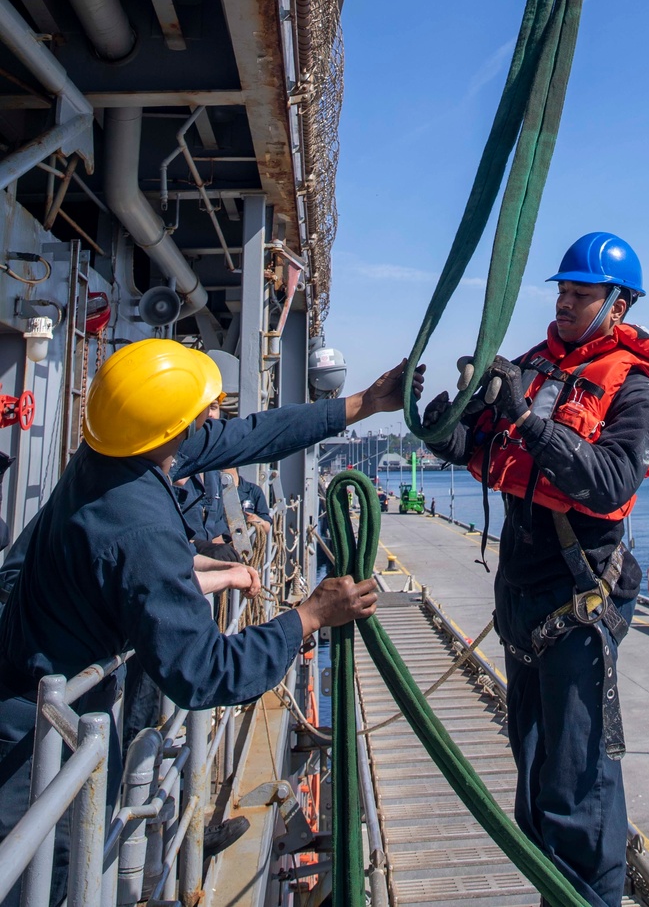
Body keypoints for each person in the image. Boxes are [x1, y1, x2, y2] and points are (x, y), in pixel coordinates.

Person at [0, 338, 423, 905]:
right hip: (43, 737)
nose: (207, 421)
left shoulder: (111, 453)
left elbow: (248, 435)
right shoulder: (141, 528)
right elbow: (203, 671)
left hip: (48, 691)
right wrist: (308, 617)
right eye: (198, 413)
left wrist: (363, 403)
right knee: (52, 875)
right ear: (171, 427)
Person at [424, 233, 649, 907]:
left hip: (579, 601)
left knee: (579, 790)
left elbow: (609, 481)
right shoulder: (531, 367)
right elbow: (477, 444)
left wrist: (524, 417)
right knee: (537, 779)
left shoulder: (637, 390)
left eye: (581, 294)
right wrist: (441, 426)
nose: (564, 303)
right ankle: (556, 895)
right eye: (562, 292)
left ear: (618, 305)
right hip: (521, 596)